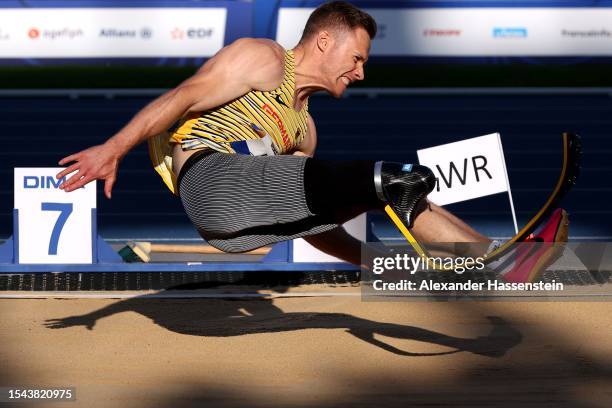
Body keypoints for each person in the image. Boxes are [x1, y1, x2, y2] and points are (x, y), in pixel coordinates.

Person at [55, 1, 567, 281]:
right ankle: (494, 262)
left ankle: (485, 264)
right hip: (210, 182)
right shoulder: (262, 58)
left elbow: (308, 221)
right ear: (326, 40)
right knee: (386, 176)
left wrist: (379, 264)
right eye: (358, 58)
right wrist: (113, 148)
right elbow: (181, 98)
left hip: (236, 229)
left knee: (391, 187)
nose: (361, 73)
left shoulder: (305, 129)